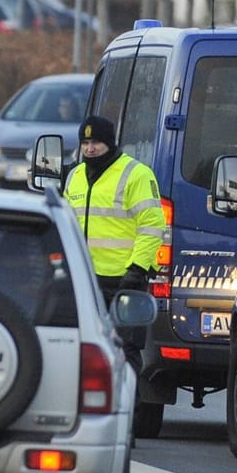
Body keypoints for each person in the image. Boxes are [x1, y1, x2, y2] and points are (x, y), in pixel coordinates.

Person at [62, 116, 164, 338]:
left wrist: (137, 269)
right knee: (88, 347)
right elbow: (66, 224)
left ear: (110, 143)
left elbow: (152, 225)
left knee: (126, 350)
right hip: (86, 279)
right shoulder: (75, 176)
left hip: (125, 281)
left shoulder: (136, 174)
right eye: (85, 143)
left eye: (96, 143)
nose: (89, 149)